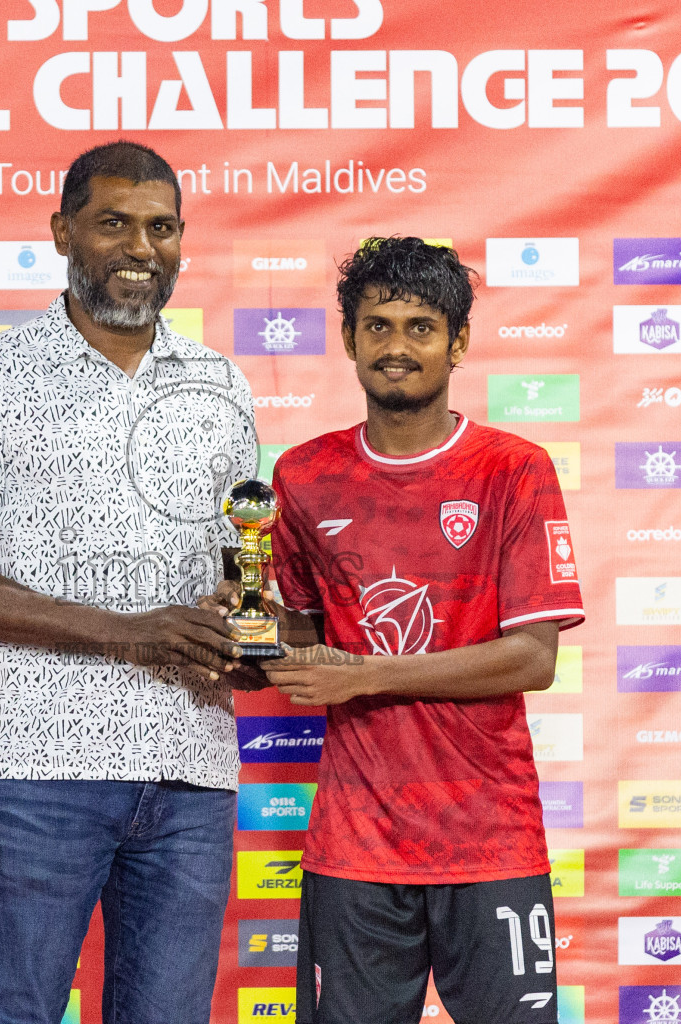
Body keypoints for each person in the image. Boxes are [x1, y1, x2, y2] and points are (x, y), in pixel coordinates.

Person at [0, 141, 258, 1024]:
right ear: (62, 232)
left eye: (162, 227)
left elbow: (235, 569)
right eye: (114, 223)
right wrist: (134, 632)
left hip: (193, 767)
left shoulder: (221, 383)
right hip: (45, 767)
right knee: (15, 1012)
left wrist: (251, 626)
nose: (142, 247)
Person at [226, 236, 585, 1023]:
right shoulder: (302, 477)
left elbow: (533, 657)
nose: (396, 346)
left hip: (490, 838)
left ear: (458, 342)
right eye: (377, 325)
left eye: (420, 327)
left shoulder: (513, 470)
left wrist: (363, 675)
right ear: (350, 338)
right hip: (355, 845)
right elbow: (297, 640)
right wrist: (244, 630)